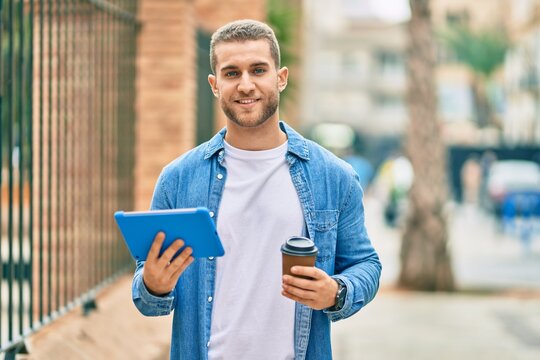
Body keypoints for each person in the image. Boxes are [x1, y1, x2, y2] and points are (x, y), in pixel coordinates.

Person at [131, 19, 381, 360]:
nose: (245, 84)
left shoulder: (333, 176)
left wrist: (336, 292)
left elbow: (365, 264)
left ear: (280, 78)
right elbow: (147, 297)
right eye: (231, 73)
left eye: (258, 70)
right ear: (214, 84)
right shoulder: (178, 179)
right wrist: (153, 285)